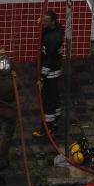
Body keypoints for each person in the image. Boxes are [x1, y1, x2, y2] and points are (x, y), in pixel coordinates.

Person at [33, 8, 64, 137]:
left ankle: (47, 128)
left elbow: (48, 61)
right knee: (55, 96)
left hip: (50, 72)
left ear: (53, 21)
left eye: (46, 21)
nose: (43, 22)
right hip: (55, 70)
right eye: (43, 20)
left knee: (48, 100)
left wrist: (41, 78)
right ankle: (56, 119)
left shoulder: (52, 39)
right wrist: (42, 23)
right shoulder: (57, 29)